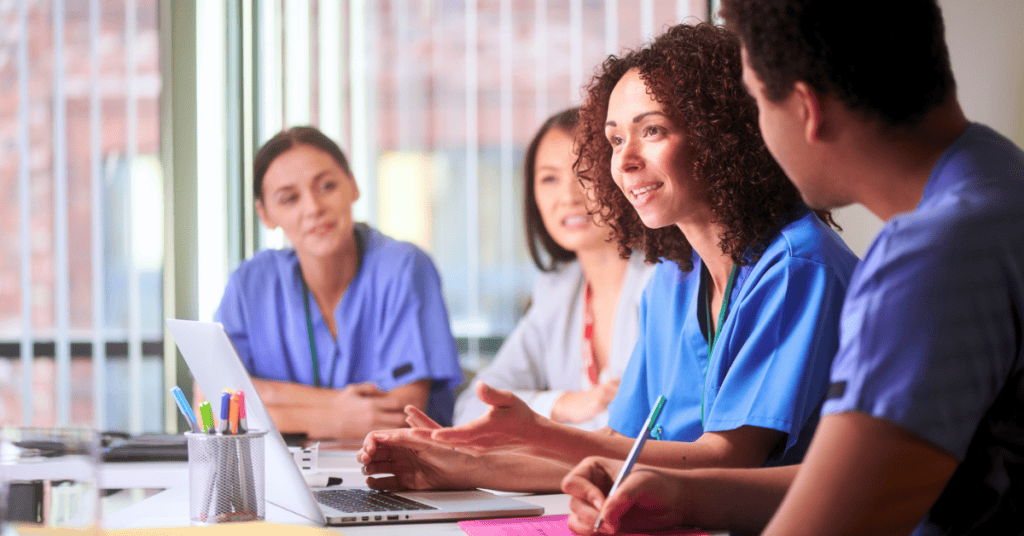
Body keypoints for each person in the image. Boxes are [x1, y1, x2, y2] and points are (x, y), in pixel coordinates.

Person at [561, 2, 1024, 535]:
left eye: (756, 104)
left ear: (807, 109)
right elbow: (871, 477)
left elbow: (850, 513)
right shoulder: (1000, 176)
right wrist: (685, 496)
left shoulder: (930, 258)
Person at [358, 23, 858, 493]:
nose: (625, 159)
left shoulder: (796, 266)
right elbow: (623, 447)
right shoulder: (675, 278)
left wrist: (540, 432)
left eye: (653, 130)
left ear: (718, 134)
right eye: (615, 139)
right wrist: (458, 466)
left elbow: (730, 458)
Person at [213, 126, 463, 441]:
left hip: (396, 475)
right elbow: (211, 404)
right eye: (290, 198)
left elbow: (401, 414)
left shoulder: (403, 267)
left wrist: (268, 398)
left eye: (327, 186)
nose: (314, 208)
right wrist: (334, 417)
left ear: (353, 185)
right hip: (288, 475)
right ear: (265, 214)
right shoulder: (250, 285)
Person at [454, 108, 655, 430]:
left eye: (586, 175)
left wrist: (535, 414)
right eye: (549, 178)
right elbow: (472, 406)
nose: (567, 196)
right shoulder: (557, 289)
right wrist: (563, 405)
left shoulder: (665, 280)